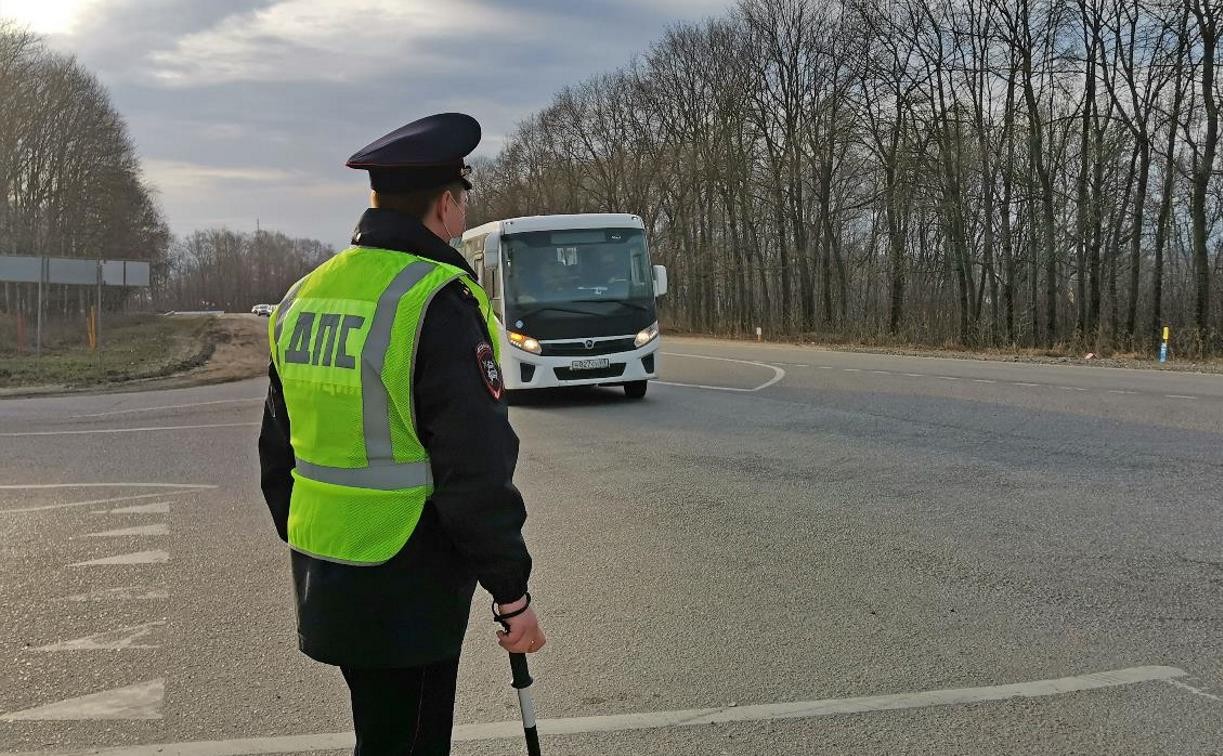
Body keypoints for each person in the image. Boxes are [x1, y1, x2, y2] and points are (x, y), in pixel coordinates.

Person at [258, 112, 545, 756]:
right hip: (406, 575)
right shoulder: (436, 299)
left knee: (381, 736)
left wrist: (312, 539)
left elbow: (278, 452)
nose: (463, 216)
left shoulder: (304, 295)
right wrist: (512, 592)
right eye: (463, 202)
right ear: (445, 204)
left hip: (328, 565)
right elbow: (474, 470)